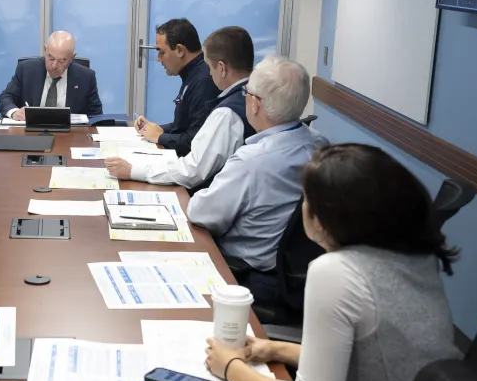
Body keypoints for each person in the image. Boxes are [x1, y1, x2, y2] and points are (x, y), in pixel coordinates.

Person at [205, 143, 460, 381]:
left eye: (305, 200)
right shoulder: (417, 256)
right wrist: (277, 349)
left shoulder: (336, 272)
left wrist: (231, 367)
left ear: (325, 220)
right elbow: (377, 354)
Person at [187, 56, 329, 304]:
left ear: (255, 104)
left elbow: (201, 213)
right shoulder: (321, 145)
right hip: (300, 277)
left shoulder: (251, 161)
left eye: (246, 92)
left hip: (248, 277)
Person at [106, 25, 253, 190]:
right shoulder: (250, 96)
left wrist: (135, 171)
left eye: (210, 68)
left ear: (221, 68)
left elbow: (194, 169)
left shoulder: (226, 112)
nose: (210, 74)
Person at [132, 18, 218, 157]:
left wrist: (160, 137)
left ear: (179, 50)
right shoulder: (192, 74)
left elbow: (194, 142)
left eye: (161, 52)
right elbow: (184, 125)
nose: (158, 59)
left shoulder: (203, 82)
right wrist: (156, 129)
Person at [0, 31, 102, 120]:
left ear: (72, 58)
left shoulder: (86, 77)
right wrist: (15, 112)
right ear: (45, 50)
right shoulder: (26, 70)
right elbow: (5, 98)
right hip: (30, 136)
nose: (54, 65)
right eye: (50, 58)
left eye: (62, 60)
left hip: (70, 136)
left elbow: (96, 115)